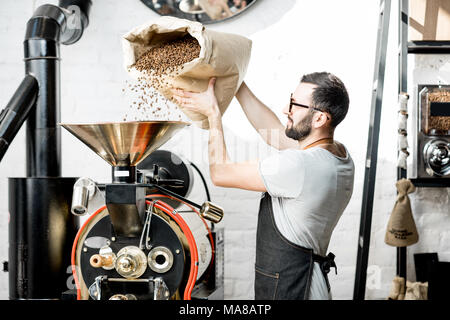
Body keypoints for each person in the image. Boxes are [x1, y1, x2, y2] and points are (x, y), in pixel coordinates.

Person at [171, 72, 355, 300]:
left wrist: (213, 114)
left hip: (294, 289)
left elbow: (221, 173)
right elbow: (276, 134)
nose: (286, 109)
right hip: (312, 280)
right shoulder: (338, 155)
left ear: (319, 119)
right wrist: (236, 83)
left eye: (295, 105)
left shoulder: (299, 166)